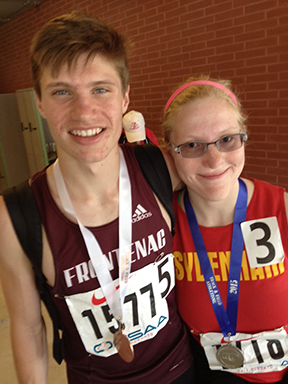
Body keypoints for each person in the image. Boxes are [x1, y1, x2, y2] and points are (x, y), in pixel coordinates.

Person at [0, 11, 194, 384]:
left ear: (125, 98)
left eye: (100, 89)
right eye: (61, 91)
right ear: (39, 103)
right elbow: (28, 329)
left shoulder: (162, 170)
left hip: (180, 370)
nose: (84, 111)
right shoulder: (17, 215)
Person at [162, 75, 288, 383]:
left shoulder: (282, 208)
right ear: (171, 152)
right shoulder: (162, 222)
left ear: (243, 137)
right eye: (192, 145)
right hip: (208, 373)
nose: (214, 159)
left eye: (227, 140)